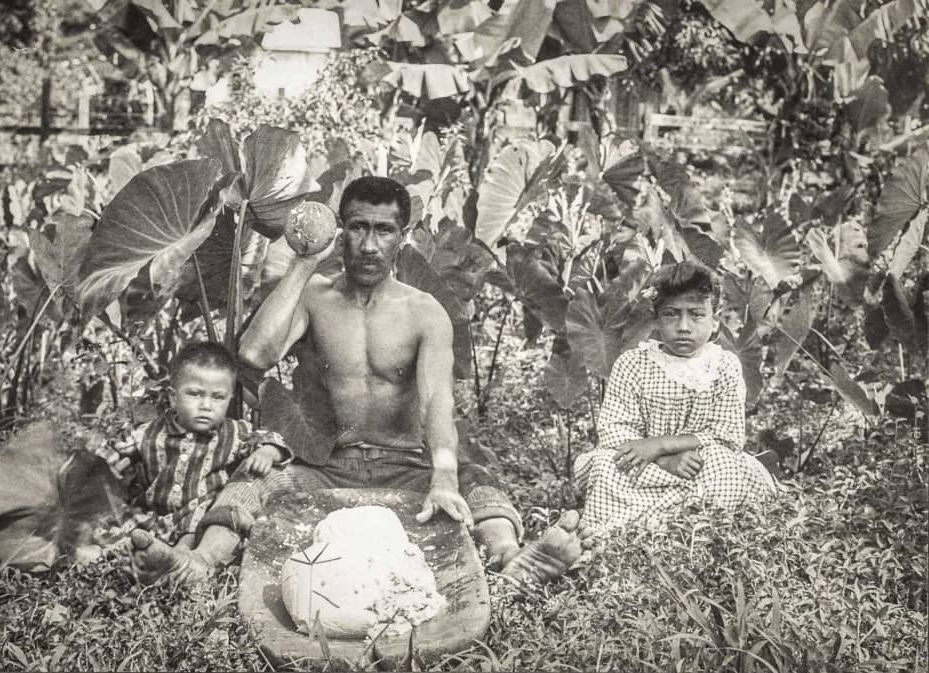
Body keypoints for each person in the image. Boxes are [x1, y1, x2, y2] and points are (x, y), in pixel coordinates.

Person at [130, 176, 583, 585]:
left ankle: (511, 557)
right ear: (340, 231)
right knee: (250, 485)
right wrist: (305, 263)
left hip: (407, 465)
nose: (369, 245)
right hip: (326, 466)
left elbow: (438, 401)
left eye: (383, 230)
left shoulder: (424, 312)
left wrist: (443, 476)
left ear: (402, 238)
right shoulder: (313, 297)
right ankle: (199, 563)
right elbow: (253, 355)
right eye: (358, 227)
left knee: (477, 482)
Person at [573, 261, 778, 534]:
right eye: (671, 314)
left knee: (726, 466)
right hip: (644, 465)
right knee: (605, 468)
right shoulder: (633, 363)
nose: (684, 327)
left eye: (696, 315)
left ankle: (691, 531)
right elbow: (614, 430)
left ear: (714, 319)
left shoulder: (723, 364)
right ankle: (620, 535)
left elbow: (727, 434)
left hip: (700, 464)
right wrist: (661, 458)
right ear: (656, 320)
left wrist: (663, 444)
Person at [88, 341, 292, 563]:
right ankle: (121, 552)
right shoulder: (148, 433)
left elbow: (271, 438)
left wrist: (268, 452)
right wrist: (107, 463)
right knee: (111, 520)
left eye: (218, 397)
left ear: (230, 398)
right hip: (152, 517)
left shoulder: (234, 432)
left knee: (210, 515)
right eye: (195, 394)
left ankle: (180, 557)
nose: (206, 405)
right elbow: (106, 458)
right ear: (173, 397)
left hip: (198, 523)